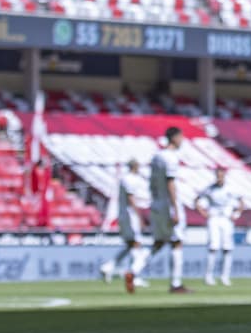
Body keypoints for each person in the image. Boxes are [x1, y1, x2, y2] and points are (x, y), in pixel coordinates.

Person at [147, 126, 189, 294]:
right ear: (175, 138)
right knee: (176, 242)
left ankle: (134, 270)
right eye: (181, 137)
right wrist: (175, 209)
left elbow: (151, 183)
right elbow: (170, 183)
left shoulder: (156, 156)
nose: (182, 140)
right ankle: (176, 283)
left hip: (156, 202)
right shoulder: (171, 158)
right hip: (168, 204)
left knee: (159, 242)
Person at [100, 159, 149, 289]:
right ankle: (134, 274)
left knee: (129, 245)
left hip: (123, 215)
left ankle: (108, 267)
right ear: (135, 166)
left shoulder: (125, 179)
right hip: (130, 216)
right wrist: (140, 217)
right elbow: (131, 199)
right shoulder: (130, 179)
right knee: (137, 244)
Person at [196, 166, 243, 287]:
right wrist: (205, 214)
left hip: (226, 219)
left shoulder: (231, 189)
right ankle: (208, 276)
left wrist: (236, 214)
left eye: (221, 175)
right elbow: (197, 200)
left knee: (227, 248)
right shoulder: (210, 189)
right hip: (214, 219)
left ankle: (225, 277)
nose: (219, 178)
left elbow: (241, 202)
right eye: (218, 175)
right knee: (213, 246)